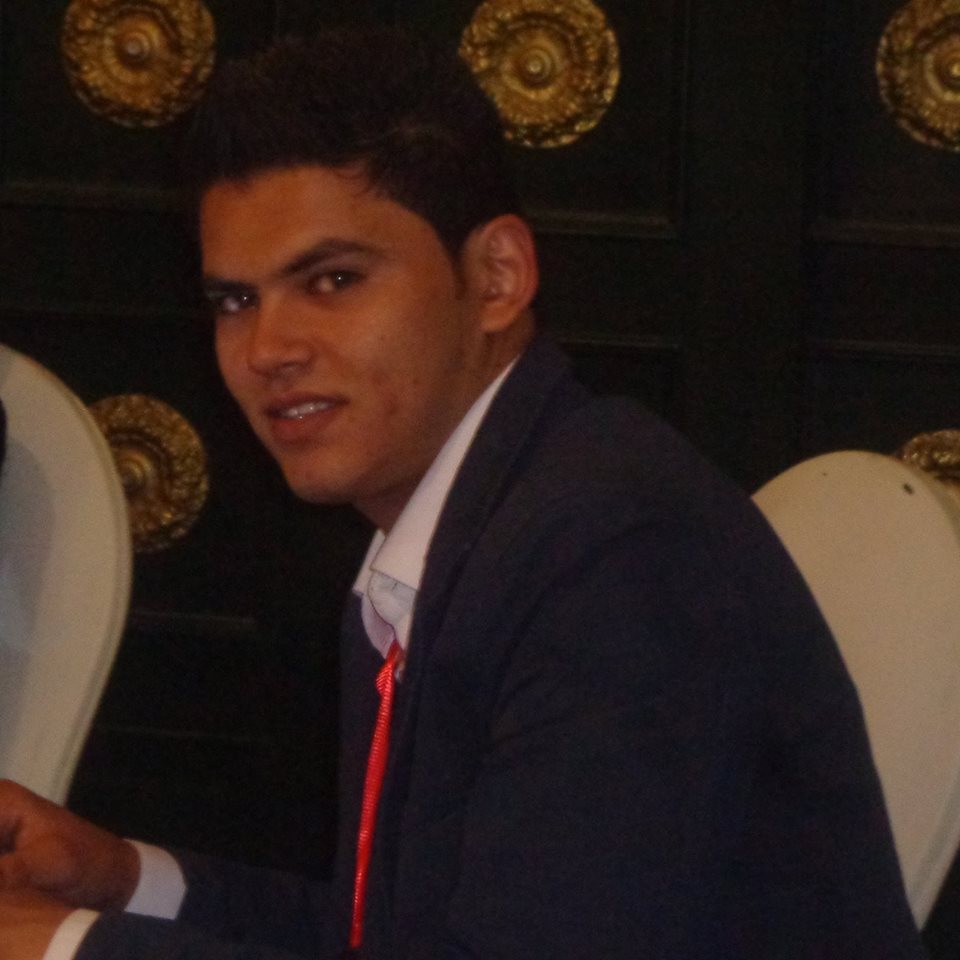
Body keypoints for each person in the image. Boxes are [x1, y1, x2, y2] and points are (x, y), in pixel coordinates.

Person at [0, 25, 926, 960]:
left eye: (332, 279)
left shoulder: (616, 555)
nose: (268, 348)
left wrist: (67, 947)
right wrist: (117, 880)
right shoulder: (475, 519)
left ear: (495, 279)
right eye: (236, 300)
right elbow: (384, 938)